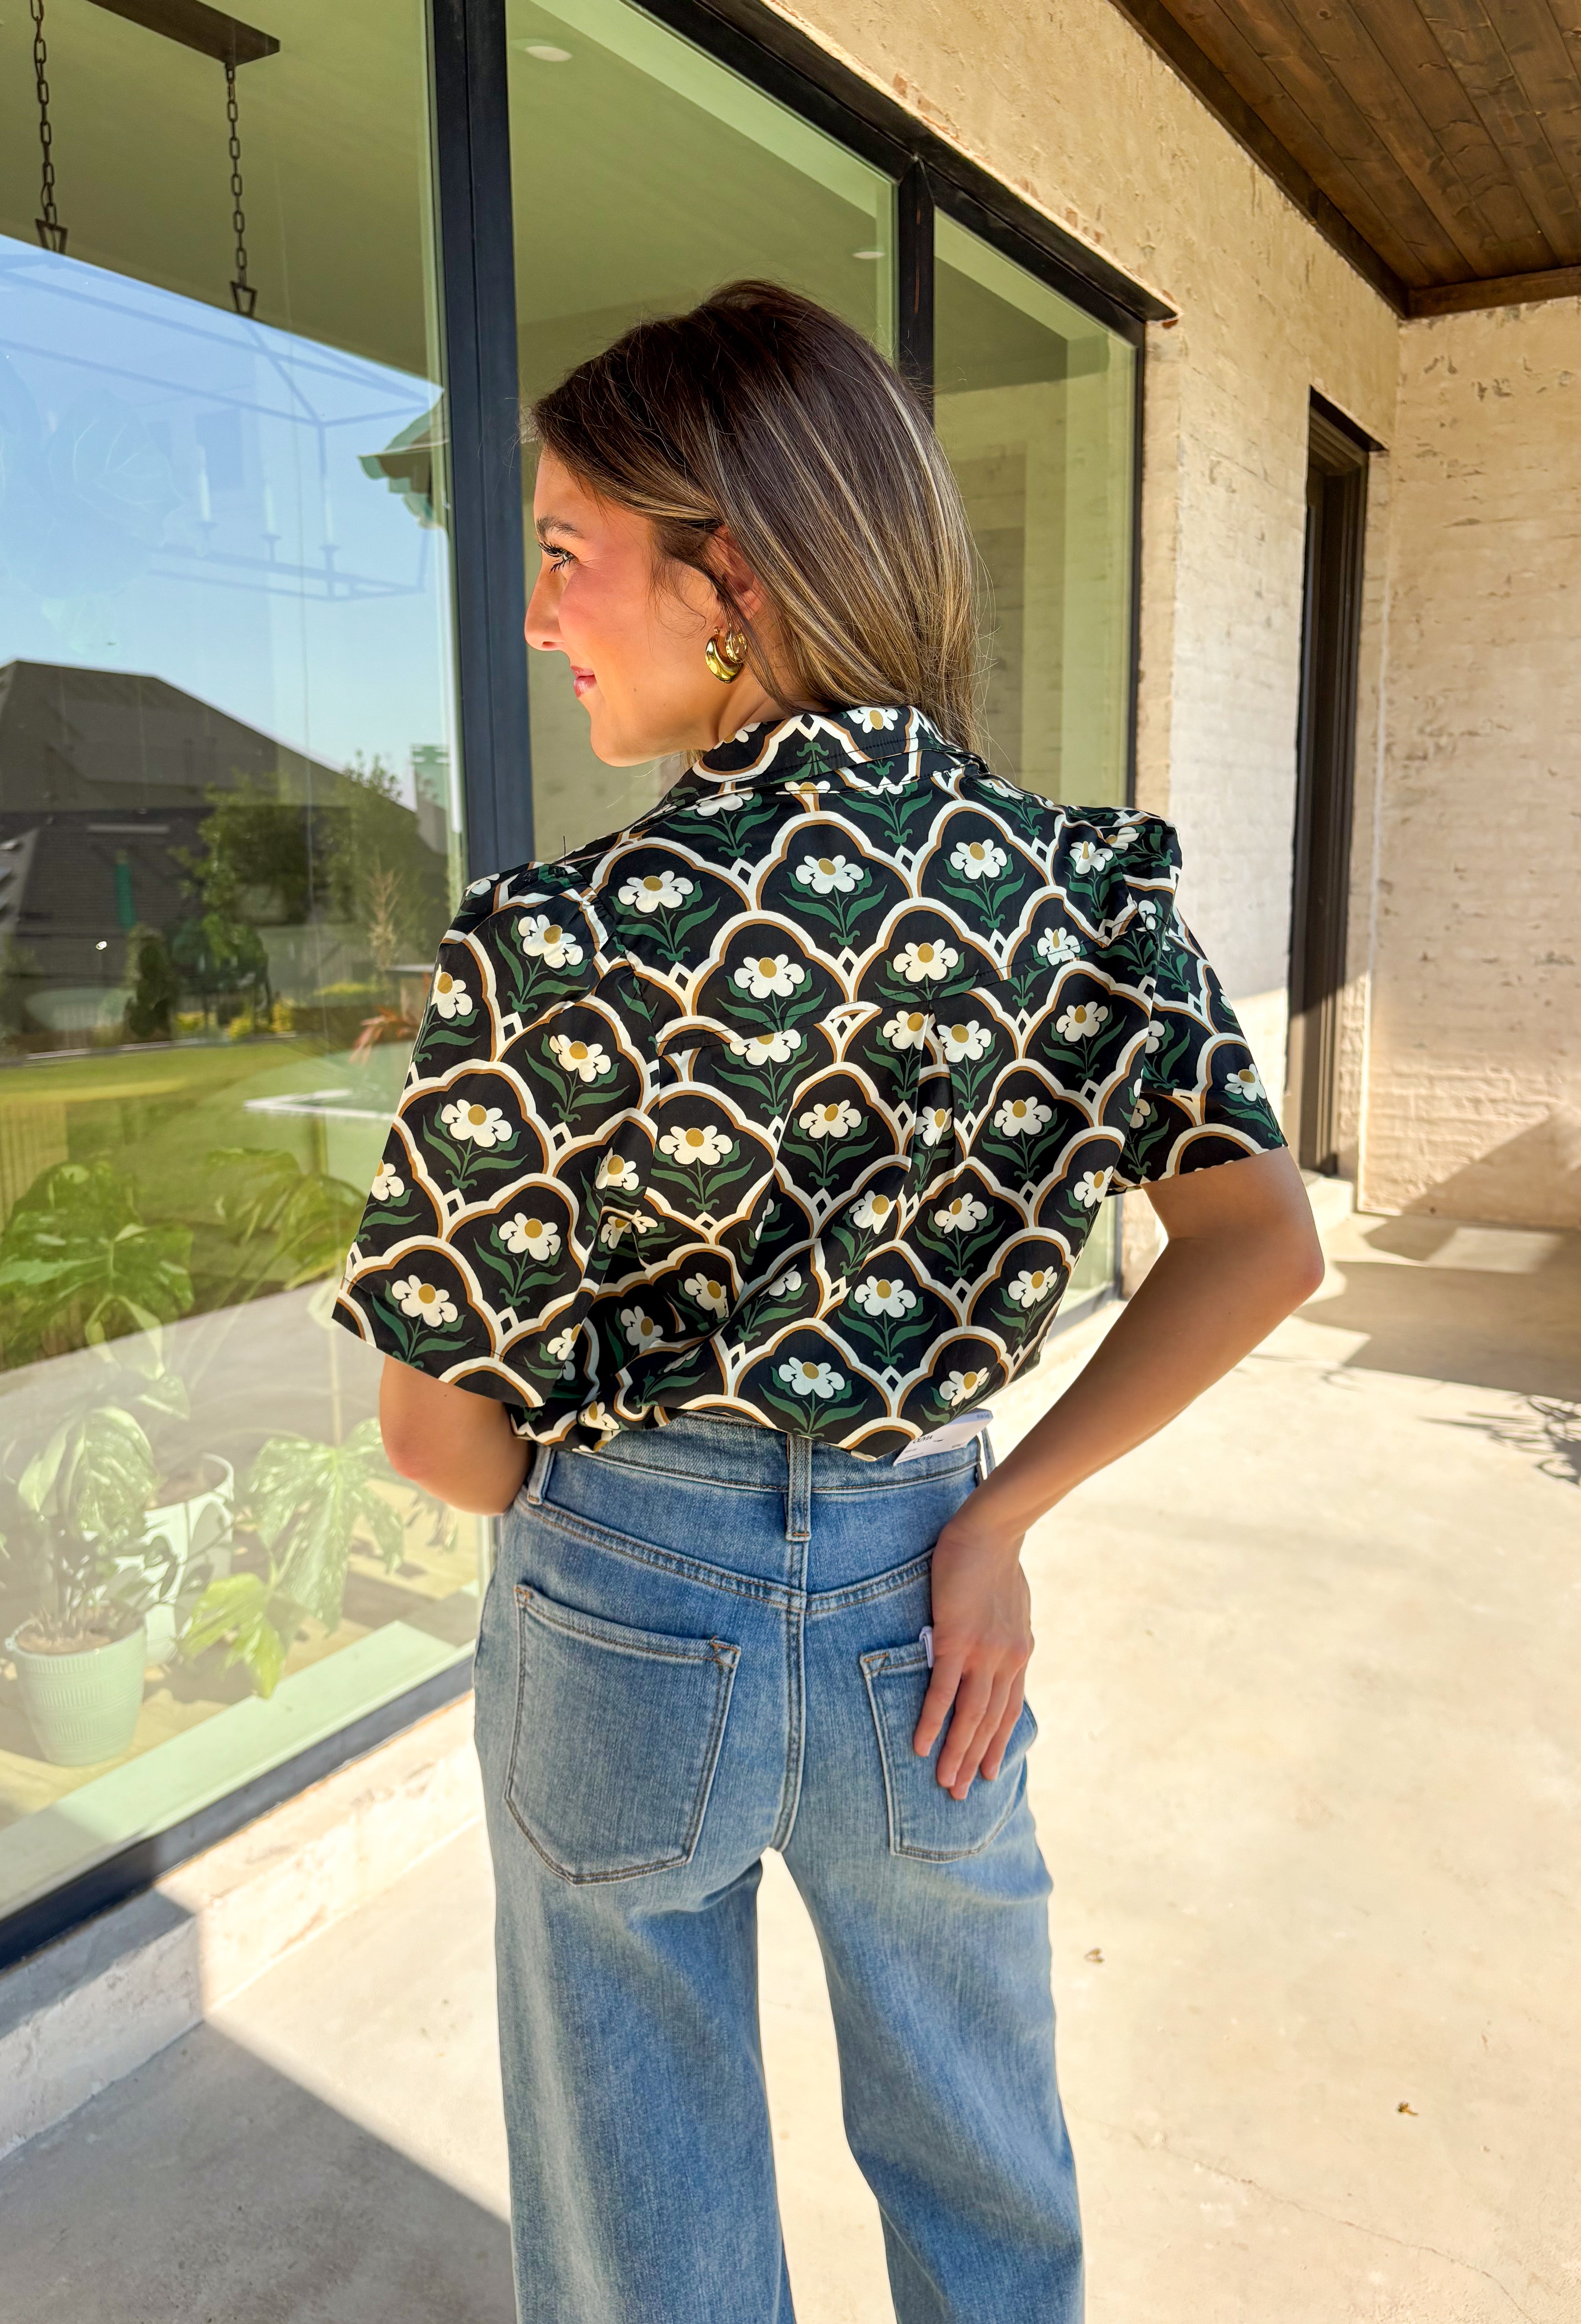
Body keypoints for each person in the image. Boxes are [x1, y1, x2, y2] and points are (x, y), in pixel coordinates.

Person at [334, 281, 1323, 2324]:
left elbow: (444, 1444)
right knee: (983, 2165)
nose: (535, 619)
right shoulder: (1085, 889)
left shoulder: (554, 938)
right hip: (925, 1620)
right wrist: (995, 1517)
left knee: (645, 2217)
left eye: (561, 554)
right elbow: (1261, 1241)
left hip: (620, 1611)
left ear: (735, 581)